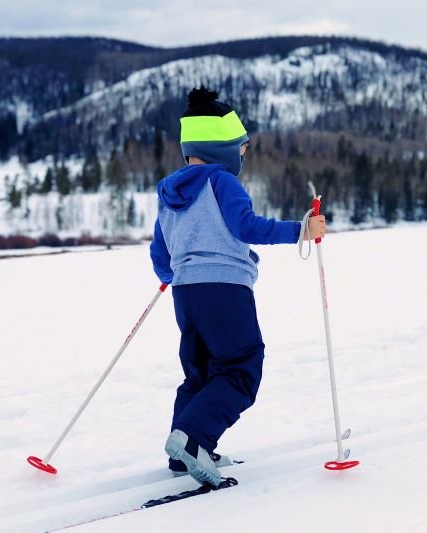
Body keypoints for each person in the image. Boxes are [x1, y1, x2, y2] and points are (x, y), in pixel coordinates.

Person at [149, 87, 326, 486]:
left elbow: (160, 250)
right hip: (225, 288)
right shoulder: (221, 181)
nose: (243, 156)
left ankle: (187, 452)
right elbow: (247, 227)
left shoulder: (168, 191)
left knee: (200, 372)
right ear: (222, 147)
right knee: (241, 367)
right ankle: (194, 440)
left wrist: (167, 274)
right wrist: (300, 230)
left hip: (185, 293)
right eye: (241, 149)